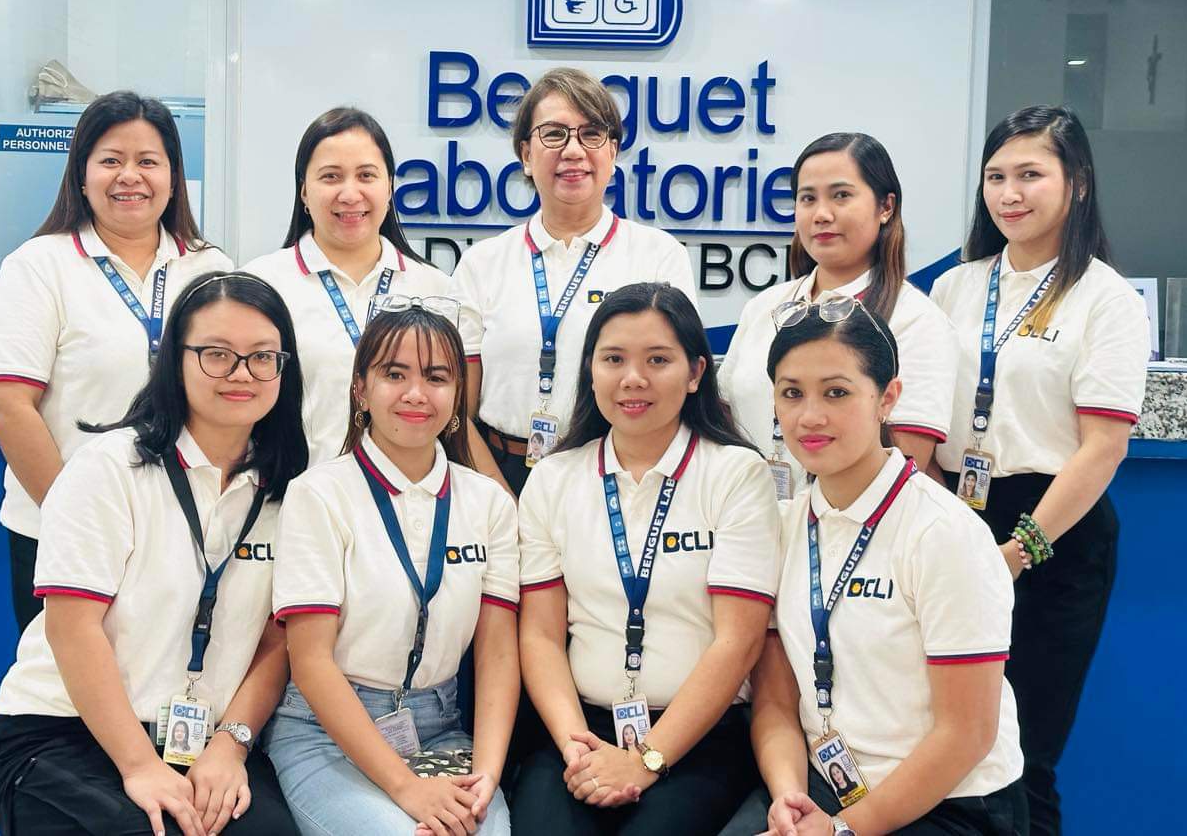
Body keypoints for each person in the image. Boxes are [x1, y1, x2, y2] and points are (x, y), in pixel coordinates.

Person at [0, 271, 309, 836]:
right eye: (216, 354)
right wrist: (139, 765)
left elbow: (278, 642)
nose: (241, 373)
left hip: (204, 741)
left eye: (262, 357)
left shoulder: (290, 490)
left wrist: (230, 747)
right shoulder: (108, 468)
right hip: (65, 733)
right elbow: (72, 629)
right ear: (175, 361)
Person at [720, 293, 1025, 836]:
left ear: (888, 398)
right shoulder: (784, 525)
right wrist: (789, 798)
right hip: (821, 787)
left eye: (836, 392)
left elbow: (967, 733)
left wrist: (843, 830)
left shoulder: (943, 533)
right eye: (792, 393)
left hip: (950, 803)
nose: (810, 416)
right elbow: (776, 701)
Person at [930, 105, 1149, 835]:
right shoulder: (956, 287)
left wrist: (1017, 552)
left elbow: (1103, 447)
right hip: (958, 517)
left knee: (1022, 754)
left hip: (1053, 534)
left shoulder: (1106, 298)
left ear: (1077, 182)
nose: (1009, 194)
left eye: (1030, 175)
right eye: (996, 177)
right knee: (948, 746)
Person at [509, 283, 778, 836]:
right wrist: (576, 746)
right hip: (579, 729)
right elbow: (539, 636)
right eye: (613, 359)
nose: (633, 379)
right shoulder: (554, 478)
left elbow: (738, 642)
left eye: (658, 360)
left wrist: (646, 759)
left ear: (696, 372)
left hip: (699, 738)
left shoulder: (736, 474)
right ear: (590, 370)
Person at [0, 91, 232, 631]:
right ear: (82, 174)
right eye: (111, 160)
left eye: (148, 161)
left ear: (173, 176)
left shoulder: (210, 268)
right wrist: (77, 519)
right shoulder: (39, 265)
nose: (129, 176)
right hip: (62, 530)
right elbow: (7, 404)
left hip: (184, 533)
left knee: (173, 678)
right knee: (69, 681)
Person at [264, 304, 520, 836]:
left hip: (441, 730)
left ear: (458, 395)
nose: (415, 393)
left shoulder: (489, 503)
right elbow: (311, 662)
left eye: (436, 377)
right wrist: (407, 789)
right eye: (394, 374)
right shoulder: (318, 494)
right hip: (326, 732)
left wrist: (487, 775)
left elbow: (497, 654)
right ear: (361, 390)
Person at [451, 67, 697, 498]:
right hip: (498, 474)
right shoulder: (482, 264)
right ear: (526, 154)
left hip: (619, 474)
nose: (573, 150)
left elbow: (675, 393)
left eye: (591, 134)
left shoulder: (658, 256)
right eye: (554, 134)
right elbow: (457, 411)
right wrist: (497, 499)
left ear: (613, 152)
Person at [719, 132, 957, 495]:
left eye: (841, 195)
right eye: (807, 198)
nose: (822, 214)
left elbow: (901, 468)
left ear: (886, 207)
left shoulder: (916, 320)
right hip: (748, 513)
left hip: (845, 522)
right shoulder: (763, 307)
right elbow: (724, 423)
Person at [242, 107, 453, 466]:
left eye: (366, 175)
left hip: (407, 493)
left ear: (390, 187)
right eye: (331, 176)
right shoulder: (260, 286)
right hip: (293, 490)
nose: (350, 193)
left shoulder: (435, 288)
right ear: (304, 191)